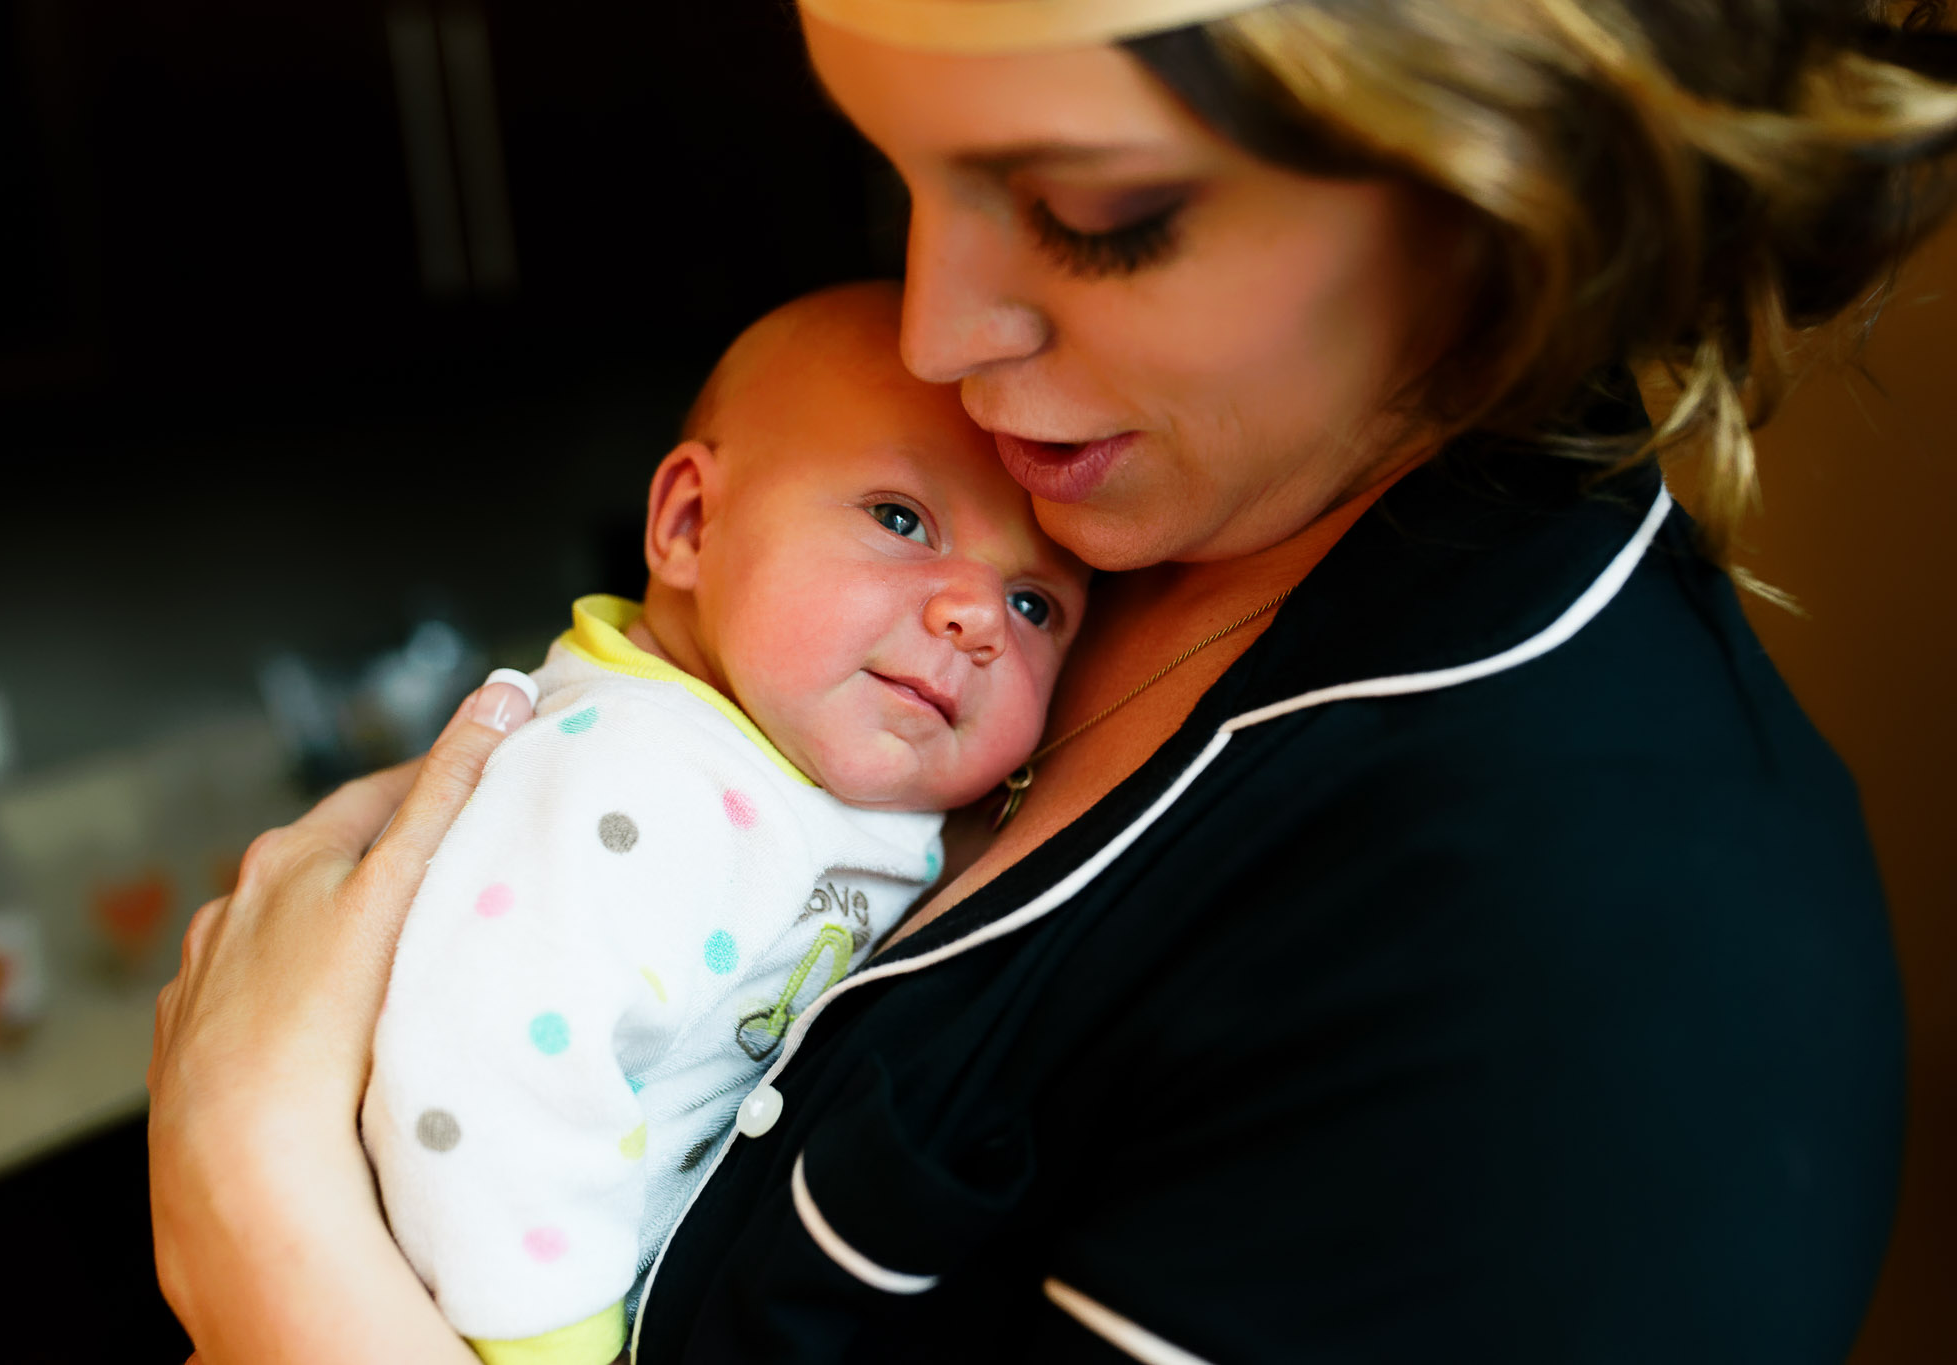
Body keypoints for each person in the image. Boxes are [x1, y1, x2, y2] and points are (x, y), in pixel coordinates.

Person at [148, 1, 1957, 1360]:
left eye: (1092, 210)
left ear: (1503, 173)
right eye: (899, 170)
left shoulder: (1591, 995)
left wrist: (264, 1219)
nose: (935, 335)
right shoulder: (1104, 512)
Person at [359, 283, 1086, 1365]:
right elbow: (486, 1069)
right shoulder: (636, 776)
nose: (977, 616)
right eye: (900, 519)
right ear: (691, 523)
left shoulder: (788, 768)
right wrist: (549, 1349)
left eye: (1035, 605)